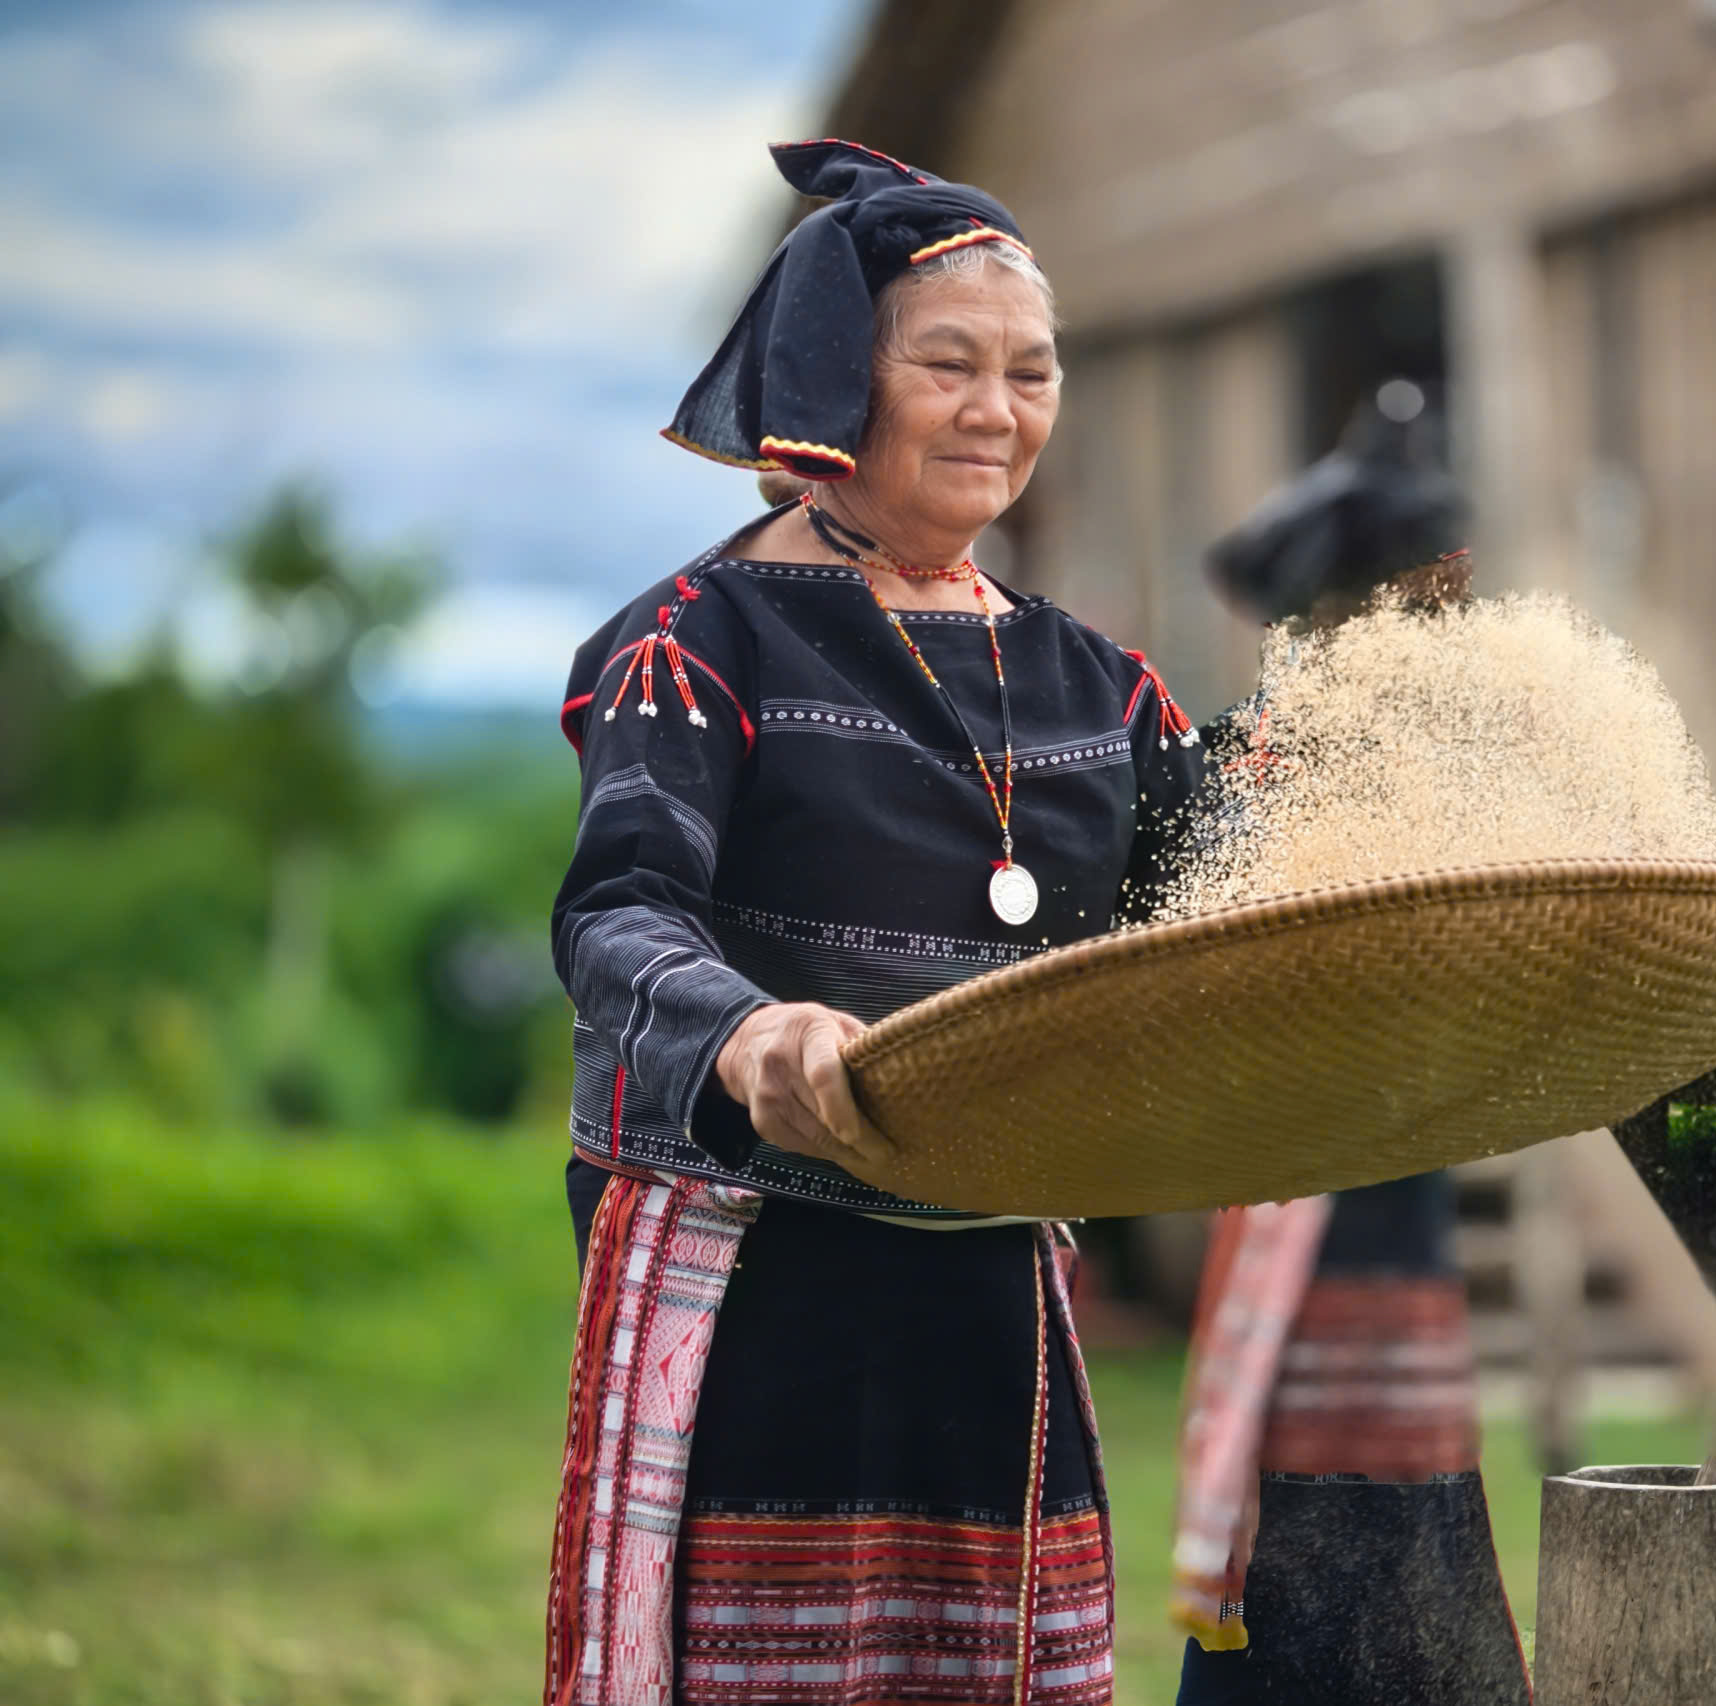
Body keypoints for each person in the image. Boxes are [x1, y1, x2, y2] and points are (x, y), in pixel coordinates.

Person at [542, 138, 1201, 1706]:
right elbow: (622, 912)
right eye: (950, 364)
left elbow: (1225, 916)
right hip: (755, 1257)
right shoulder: (698, 639)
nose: (999, 408)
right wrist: (756, 1029)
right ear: (839, 381)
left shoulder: (1100, 688)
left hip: (988, 1270)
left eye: (1032, 371)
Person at [1169, 387, 1532, 1706]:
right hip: (1293, 1160)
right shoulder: (1259, 755)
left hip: (1385, 1159)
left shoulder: (1438, 759)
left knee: (1391, 1470)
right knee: (1306, 1496)